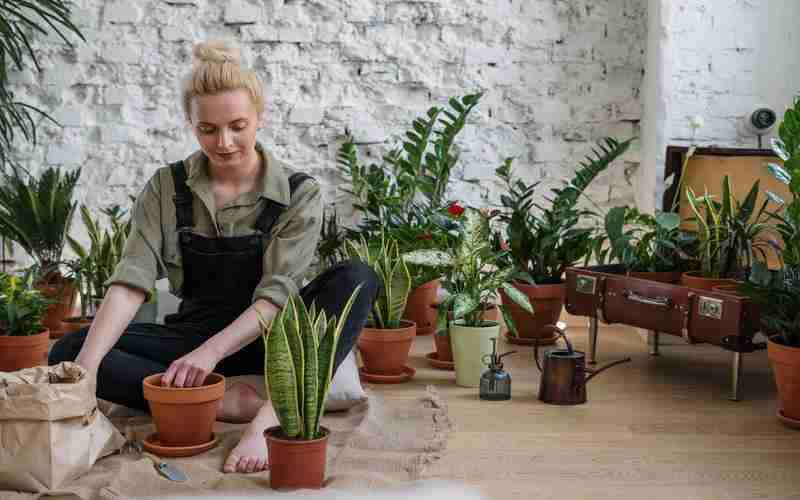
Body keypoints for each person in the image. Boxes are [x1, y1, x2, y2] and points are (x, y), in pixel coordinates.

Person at [48, 40, 379, 474]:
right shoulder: (166, 188)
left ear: (260, 117)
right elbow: (131, 282)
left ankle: (268, 419)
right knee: (71, 350)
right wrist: (83, 381)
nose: (223, 143)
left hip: (274, 338)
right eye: (208, 130)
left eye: (238, 126)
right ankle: (223, 401)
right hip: (194, 333)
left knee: (358, 276)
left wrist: (209, 355)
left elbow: (277, 297)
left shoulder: (299, 193)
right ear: (190, 123)